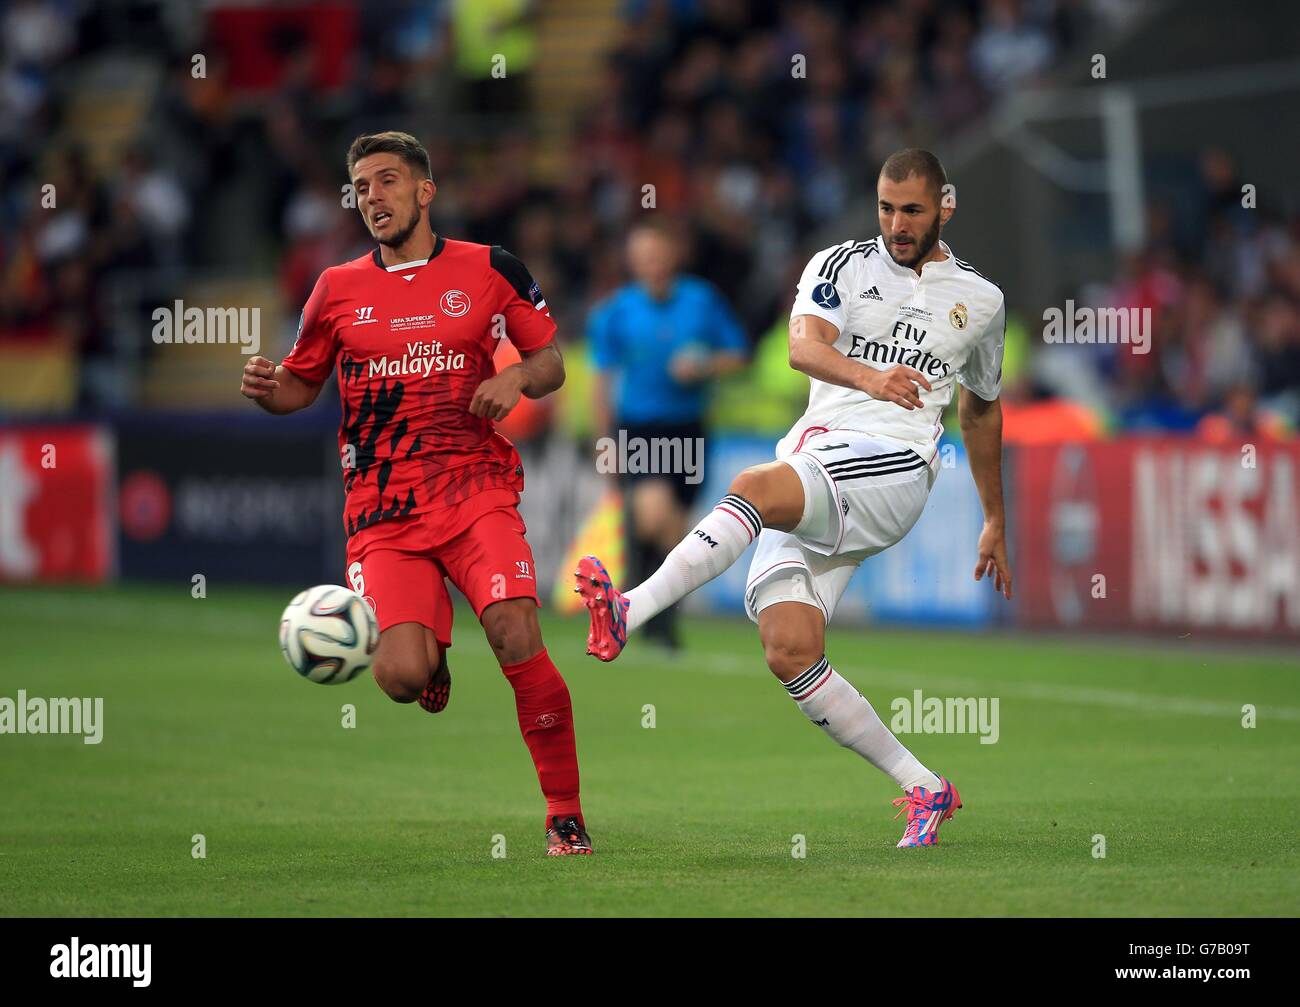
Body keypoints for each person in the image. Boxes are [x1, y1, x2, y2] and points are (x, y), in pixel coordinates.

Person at [576, 148, 1013, 849]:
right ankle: (927, 787)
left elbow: (982, 411)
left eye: (912, 211)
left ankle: (629, 607)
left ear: (945, 206)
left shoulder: (981, 300)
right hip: (820, 455)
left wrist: (994, 516)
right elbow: (801, 349)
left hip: (896, 466)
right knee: (788, 647)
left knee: (750, 486)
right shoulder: (840, 265)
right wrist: (871, 379)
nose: (897, 225)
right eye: (885, 208)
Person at [241, 130, 593, 856]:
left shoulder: (491, 268)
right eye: (362, 186)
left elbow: (550, 359)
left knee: (514, 632)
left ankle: (564, 812)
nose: (373, 196)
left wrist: (516, 377)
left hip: (473, 490)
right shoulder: (336, 289)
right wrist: (269, 389)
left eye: (388, 181)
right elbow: (301, 385)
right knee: (400, 677)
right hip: (382, 510)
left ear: (425, 192)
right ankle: (432, 664)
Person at [587, 220, 748, 650]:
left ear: (672, 257)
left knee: (674, 528)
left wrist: (704, 366)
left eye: (658, 256)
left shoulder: (702, 301)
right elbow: (601, 381)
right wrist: (605, 441)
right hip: (640, 428)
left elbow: (737, 354)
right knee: (652, 513)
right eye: (643, 259)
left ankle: (652, 616)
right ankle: (637, 609)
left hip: (690, 428)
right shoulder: (617, 311)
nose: (652, 266)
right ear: (633, 264)